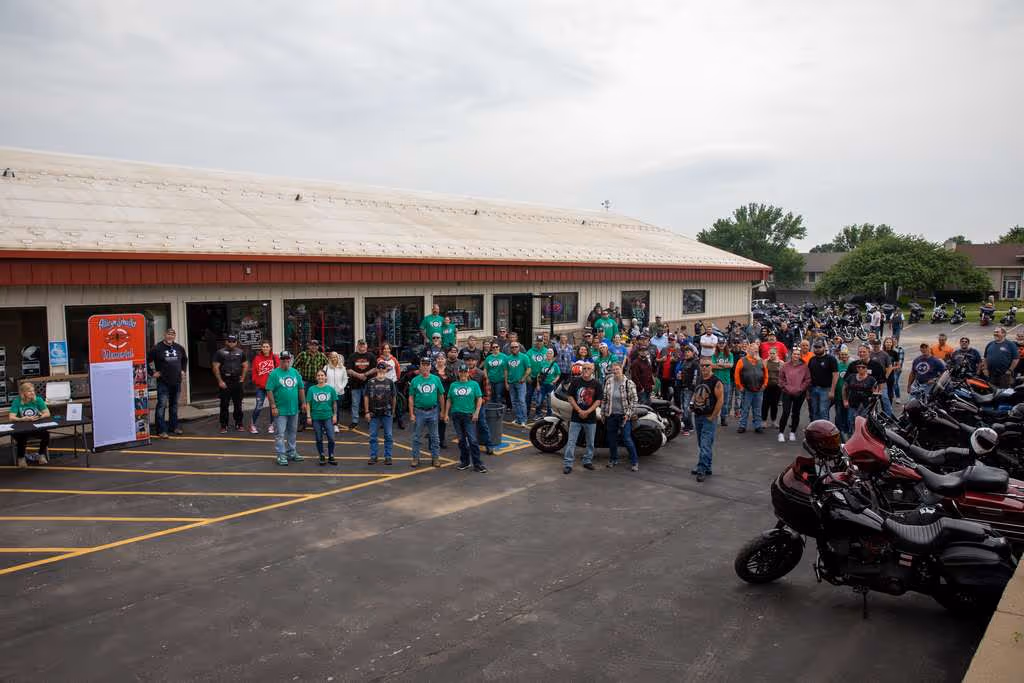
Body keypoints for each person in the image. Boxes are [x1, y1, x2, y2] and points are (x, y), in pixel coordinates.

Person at [444, 362, 488, 473]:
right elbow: (449, 399)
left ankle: (478, 464)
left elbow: (479, 399)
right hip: (456, 415)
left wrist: (477, 412)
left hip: (469, 416)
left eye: (465, 372)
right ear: (458, 373)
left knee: (473, 440)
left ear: (468, 373)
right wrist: (446, 413)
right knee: (461, 440)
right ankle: (465, 461)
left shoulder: (474, 384)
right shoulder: (453, 385)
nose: (463, 374)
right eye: (461, 372)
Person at [266, 351, 305, 466]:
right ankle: (281, 455)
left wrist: (303, 403)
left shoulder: (295, 372)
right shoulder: (274, 374)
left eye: (288, 359)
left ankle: (292, 452)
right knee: (280, 434)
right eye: (283, 359)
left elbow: (301, 388)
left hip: (294, 409)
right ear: (280, 360)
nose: (286, 361)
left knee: (292, 432)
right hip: (280, 410)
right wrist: (273, 406)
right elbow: (269, 390)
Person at [562, 362, 603, 474]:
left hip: (591, 418)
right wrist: (579, 411)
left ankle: (587, 461)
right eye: (584, 368)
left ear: (592, 370)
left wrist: (587, 412)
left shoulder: (597, 384)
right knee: (571, 442)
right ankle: (568, 464)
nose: (586, 370)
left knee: (590, 442)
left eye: (588, 368)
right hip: (576, 417)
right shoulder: (575, 381)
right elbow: (570, 397)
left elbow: (598, 401)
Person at [147, 328, 188, 439]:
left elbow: (184, 359)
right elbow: (146, 360)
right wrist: (152, 373)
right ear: (165, 335)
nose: (170, 336)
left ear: (174, 336)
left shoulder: (179, 347)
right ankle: (161, 430)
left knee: (174, 405)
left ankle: (173, 427)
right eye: (169, 334)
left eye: (172, 335)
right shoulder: (157, 348)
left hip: (176, 381)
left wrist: (183, 370)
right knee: (161, 405)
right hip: (163, 382)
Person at [690, 358, 724, 482]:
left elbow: (720, 400)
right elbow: (695, 393)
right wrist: (691, 405)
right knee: (702, 443)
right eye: (702, 365)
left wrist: (713, 416)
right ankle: (707, 466)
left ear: (711, 366)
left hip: (708, 417)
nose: (704, 367)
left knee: (705, 444)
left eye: (707, 365)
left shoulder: (716, 381)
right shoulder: (699, 378)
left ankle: (702, 469)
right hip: (698, 416)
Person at [603, 361, 640, 471]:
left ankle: (634, 462)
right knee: (612, 439)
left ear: (621, 369)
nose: (615, 371)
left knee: (626, 439)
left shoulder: (629, 383)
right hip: (611, 415)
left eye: (617, 369)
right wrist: (603, 413)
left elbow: (634, 400)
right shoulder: (609, 381)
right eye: (613, 370)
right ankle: (613, 459)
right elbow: (605, 399)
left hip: (624, 416)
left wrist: (628, 414)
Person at [409, 357, 445, 468]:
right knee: (416, 437)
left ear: (430, 366)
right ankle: (415, 458)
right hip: (419, 411)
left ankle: (435, 458)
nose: (425, 367)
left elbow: (441, 395)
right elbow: (411, 397)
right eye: (423, 364)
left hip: (433, 411)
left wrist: (443, 411)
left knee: (435, 437)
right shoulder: (415, 380)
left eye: (427, 364)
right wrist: (411, 413)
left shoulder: (436, 379)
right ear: (420, 366)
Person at [212, 335, 248, 434]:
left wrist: (243, 378)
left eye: (233, 341)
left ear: (236, 342)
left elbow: (245, 365)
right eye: (229, 341)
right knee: (224, 404)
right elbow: (215, 367)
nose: (231, 343)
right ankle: (224, 425)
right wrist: (220, 381)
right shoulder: (220, 353)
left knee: (238, 404)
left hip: (237, 381)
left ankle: (239, 423)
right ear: (226, 342)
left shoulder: (241, 352)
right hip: (225, 381)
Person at [9, 381, 51, 467]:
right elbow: (11, 417)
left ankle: (41, 454)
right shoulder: (17, 401)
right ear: (23, 393)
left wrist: (39, 416)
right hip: (20, 427)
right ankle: (21, 457)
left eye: (33, 391)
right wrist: (22, 419)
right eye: (29, 391)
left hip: (34, 427)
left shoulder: (38, 400)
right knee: (22, 437)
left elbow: (47, 413)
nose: (32, 393)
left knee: (46, 435)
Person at [364, 360, 397, 465]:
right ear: (376, 369)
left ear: (386, 370)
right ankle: (373, 456)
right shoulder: (370, 382)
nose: (381, 370)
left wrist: (393, 411)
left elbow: (394, 397)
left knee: (388, 436)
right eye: (379, 368)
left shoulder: (390, 382)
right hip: (373, 414)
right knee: (373, 436)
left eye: (383, 368)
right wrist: (367, 412)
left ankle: (388, 457)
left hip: (387, 413)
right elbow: (366, 397)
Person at [305, 369, 338, 466]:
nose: (320, 377)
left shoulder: (330, 389)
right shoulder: (311, 389)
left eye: (322, 375)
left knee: (331, 437)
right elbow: (308, 404)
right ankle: (322, 455)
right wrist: (308, 416)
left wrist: (335, 415)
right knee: (319, 438)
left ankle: (331, 455)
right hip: (316, 417)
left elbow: (334, 403)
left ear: (326, 377)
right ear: (316, 377)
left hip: (328, 416)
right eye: (318, 375)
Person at [777, 347, 810, 443]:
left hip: (799, 393)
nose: (796, 356)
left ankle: (792, 432)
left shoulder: (804, 366)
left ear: (800, 356)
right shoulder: (785, 366)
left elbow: (807, 380)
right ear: (791, 355)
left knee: (796, 413)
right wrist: (785, 387)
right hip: (787, 392)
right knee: (786, 412)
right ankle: (781, 433)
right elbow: (781, 378)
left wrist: (801, 388)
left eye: (798, 354)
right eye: (794, 354)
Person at [293, 339, 327, 431]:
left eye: (315, 345)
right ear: (308, 346)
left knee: (318, 402)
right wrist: (299, 376)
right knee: (303, 402)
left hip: (317, 383)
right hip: (305, 381)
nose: (314, 347)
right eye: (312, 345)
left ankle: (317, 423)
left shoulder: (322, 356)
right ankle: (302, 423)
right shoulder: (302, 354)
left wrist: (324, 379)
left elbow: (327, 367)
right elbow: (294, 367)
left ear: (318, 347)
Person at [734, 344, 768, 433]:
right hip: (746, 389)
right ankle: (742, 426)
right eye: (753, 349)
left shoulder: (761, 361)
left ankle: (758, 426)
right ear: (749, 350)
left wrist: (764, 384)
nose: (755, 351)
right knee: (745, 409)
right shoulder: (741, 361)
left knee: (757, 409)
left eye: (757, 349)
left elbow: (766, 374)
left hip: (759, 389)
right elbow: (736, 375)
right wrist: (740, 386)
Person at [465, 356, 495, 454]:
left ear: (476, 361)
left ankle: (489, 445)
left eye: (472, 360)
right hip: (466, 405)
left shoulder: (481, 374)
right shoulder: (462, 373)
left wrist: (483, 400)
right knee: (468, 425)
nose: (470, 362)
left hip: (479, 404)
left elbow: (487, 391)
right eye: (468, 360)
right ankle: (470, 444)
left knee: (482, 424)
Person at [346, 339, 377, 430]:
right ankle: (355, 421)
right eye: (360, 345)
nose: (362, 346)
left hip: (368, 383)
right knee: (355, 403)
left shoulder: (371, 356)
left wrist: (365, 374)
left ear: (366, 345)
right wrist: (359, 375)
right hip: (355, 384)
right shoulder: (352, 356)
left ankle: (370, 419)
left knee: (370, 403)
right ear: (357, 346)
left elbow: (375, 368)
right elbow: (348, 370)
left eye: (363, 345)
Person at [249, 341, 279, 434]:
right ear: (261, 348)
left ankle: (272, 425)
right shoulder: (257, 358)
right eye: (264, 346)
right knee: (258, 406)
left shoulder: (275, 357)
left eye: (267, 346)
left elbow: (279, 371)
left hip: (272, 388)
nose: (265, 348)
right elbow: (254, 372)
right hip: (261, 387)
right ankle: (253, 425)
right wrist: (257, 382)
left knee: (272, 406)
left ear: (270, 348)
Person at [806, 339, 838, 422]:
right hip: (813, 389)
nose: (817, 349)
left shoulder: (831, 359)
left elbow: (835, 375)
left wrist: (832, 391)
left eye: (819, 347)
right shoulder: (812, 359)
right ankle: (815, 429)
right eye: (815, 347)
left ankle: (824, 429)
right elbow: (808, 376)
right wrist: (808, 391)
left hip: (826, 390)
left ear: (824, 347)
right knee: (814, 411)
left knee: (823, 411)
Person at [504, 341, 531, 426]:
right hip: (511, 383)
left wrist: (524, 378)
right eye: (512, 347)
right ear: (510, 349)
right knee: (514, 402)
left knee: (521, 401)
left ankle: (524, 419)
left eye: (516, 347)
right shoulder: (508, 358)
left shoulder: (524, 357)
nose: (514, 348)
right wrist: (506, 383)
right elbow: (506, 371)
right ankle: (518, 418)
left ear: (519, 347)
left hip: (521, 383)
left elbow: (529, 369)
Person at [675, 346, 699, 436]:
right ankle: (690, 426)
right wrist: (679, 377)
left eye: (688, 352)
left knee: (686, 408)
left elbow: (696, 377)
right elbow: (681, 373)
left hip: (689, 388)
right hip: (682, 387)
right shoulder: (684, 361)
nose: (686, 353)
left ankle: (687, 427)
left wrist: (693, 388)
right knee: (684, 407)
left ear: (693, 353)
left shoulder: (695, 363)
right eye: (685, 352)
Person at [711, 339, 735, 427]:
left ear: (725, 344)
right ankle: (714, 417)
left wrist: (719, 365)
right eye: (720, 343)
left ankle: (723, 418)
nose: (721, 345)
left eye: (723, 343)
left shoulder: (730, 354)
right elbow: (712, 366)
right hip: (716, 381)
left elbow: (731, 365)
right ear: (717, 344)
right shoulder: (714, 354)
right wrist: (724, 366)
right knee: (714, 400)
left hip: (726, 381)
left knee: (725, 402)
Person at [323, 351, 348, 434]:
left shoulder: (342, 368)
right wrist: (327, 388)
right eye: (332, 357)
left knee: (336, 410)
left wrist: (341, 387)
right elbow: (323, 378)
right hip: (328, 393)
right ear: (329, 358)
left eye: (335, 357)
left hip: (339, 392)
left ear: (338, 358)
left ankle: (335, 425)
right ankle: (327, 426)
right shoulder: (326, 367)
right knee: (328, 409)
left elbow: (345, 379)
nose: (334, 358)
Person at [533, 347, 561, 420]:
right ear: (546, 354)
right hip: (542, 385)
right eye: (548, 353)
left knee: (549, 403)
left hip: (550, 386)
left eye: (551, 353)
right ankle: (538, 414)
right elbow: (539, 374)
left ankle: (549, 416)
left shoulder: (555, 365)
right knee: (539, 401)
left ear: (553, 355)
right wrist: (538, 384)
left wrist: (554, 381)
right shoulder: (542, 363)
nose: (549, 354)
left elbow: (558, 374)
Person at [867, 338, 894, 416]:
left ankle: (888, 416)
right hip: (871, 380)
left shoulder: (884, 354)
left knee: (884, 398)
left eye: (877, 345)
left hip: (881, 380)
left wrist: (885, 377)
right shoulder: (869, 354)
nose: (876, 346)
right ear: (872, 345)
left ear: (880, 345)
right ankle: (873, 415)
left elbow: (890, 367)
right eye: (874, 345)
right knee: (872, 399)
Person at [526, 335, 549, 419]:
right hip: (531, 377)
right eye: (538, 341)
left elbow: (549, 363)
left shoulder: (547, 351)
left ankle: (538, 413)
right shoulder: (530, 351)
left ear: (543, 342)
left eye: (540, 341)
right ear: (535, 342)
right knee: (529, 395)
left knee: (540, 397)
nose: (539, 343)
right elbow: (526, 364)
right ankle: (526, 412)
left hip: (541, 378)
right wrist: (527, 376)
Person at [762, 347, 783, 428]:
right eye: (770, 353)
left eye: (773, 353)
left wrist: (781, 384)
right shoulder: (765, 361)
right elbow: (762, 372)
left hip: (776, 387)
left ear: (777, 354)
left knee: (774, 404)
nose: (772, 355)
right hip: (767, 386)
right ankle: (764, 421)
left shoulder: (781, 363)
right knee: (765, 404)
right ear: (768, 354)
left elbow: (783, 375)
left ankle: (773, 421)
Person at [628, 339, 655, 404]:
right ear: (639, 352)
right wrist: (640, 388)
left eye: (645, 351)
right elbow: (634, 377)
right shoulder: (635, 363)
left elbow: (650, 373)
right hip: (641, 390)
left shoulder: (647, 361)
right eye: (642, 351)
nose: (644, 352)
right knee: (642, 406)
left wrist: (652, 384)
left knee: (649, 406)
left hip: (648, 388)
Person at [833, 347, 851, 436]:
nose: (844, 356)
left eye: (845, 354)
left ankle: (847, 431)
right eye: (842, 354)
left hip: (849, 395)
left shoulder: (851, 366)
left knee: (847, 414)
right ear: (839, 356)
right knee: (838, 413)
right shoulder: (837, 365)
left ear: (848, 356)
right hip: (838, 394)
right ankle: (838, 432)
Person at [484, 342, 508, 407]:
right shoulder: (488, 358)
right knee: (491, 396)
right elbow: (485, 369)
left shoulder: (504, 357)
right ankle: (492, 409)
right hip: (491, 380)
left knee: (499, 395)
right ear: (491, 348)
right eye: (493, 347)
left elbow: (506, 369)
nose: (495, 348)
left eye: (496, 347)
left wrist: (506, 380)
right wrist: (486, 378)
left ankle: (499, 410)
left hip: (500, 380)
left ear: (499, 347)